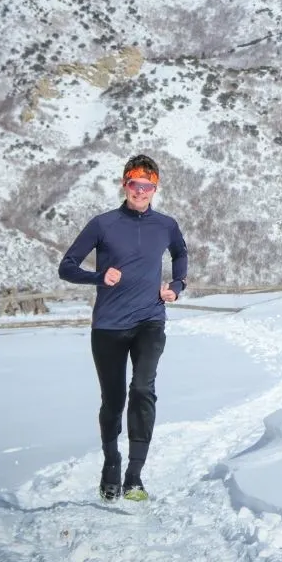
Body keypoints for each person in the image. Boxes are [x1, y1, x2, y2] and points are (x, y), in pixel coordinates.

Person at [59, 154, 188, 501]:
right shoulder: (103, 224)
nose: (141, 191)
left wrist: (176, 286)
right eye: (135, 184)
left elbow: (180, 254)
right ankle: (111, 462)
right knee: (113, 401)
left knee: (143, 389)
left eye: (148, 186)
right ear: (124, 184)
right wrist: (98, 276)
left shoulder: (166, 225)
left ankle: (134, 475)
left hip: (150, 320)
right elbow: (66, 267)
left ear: (155, 188)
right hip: (108, 327)